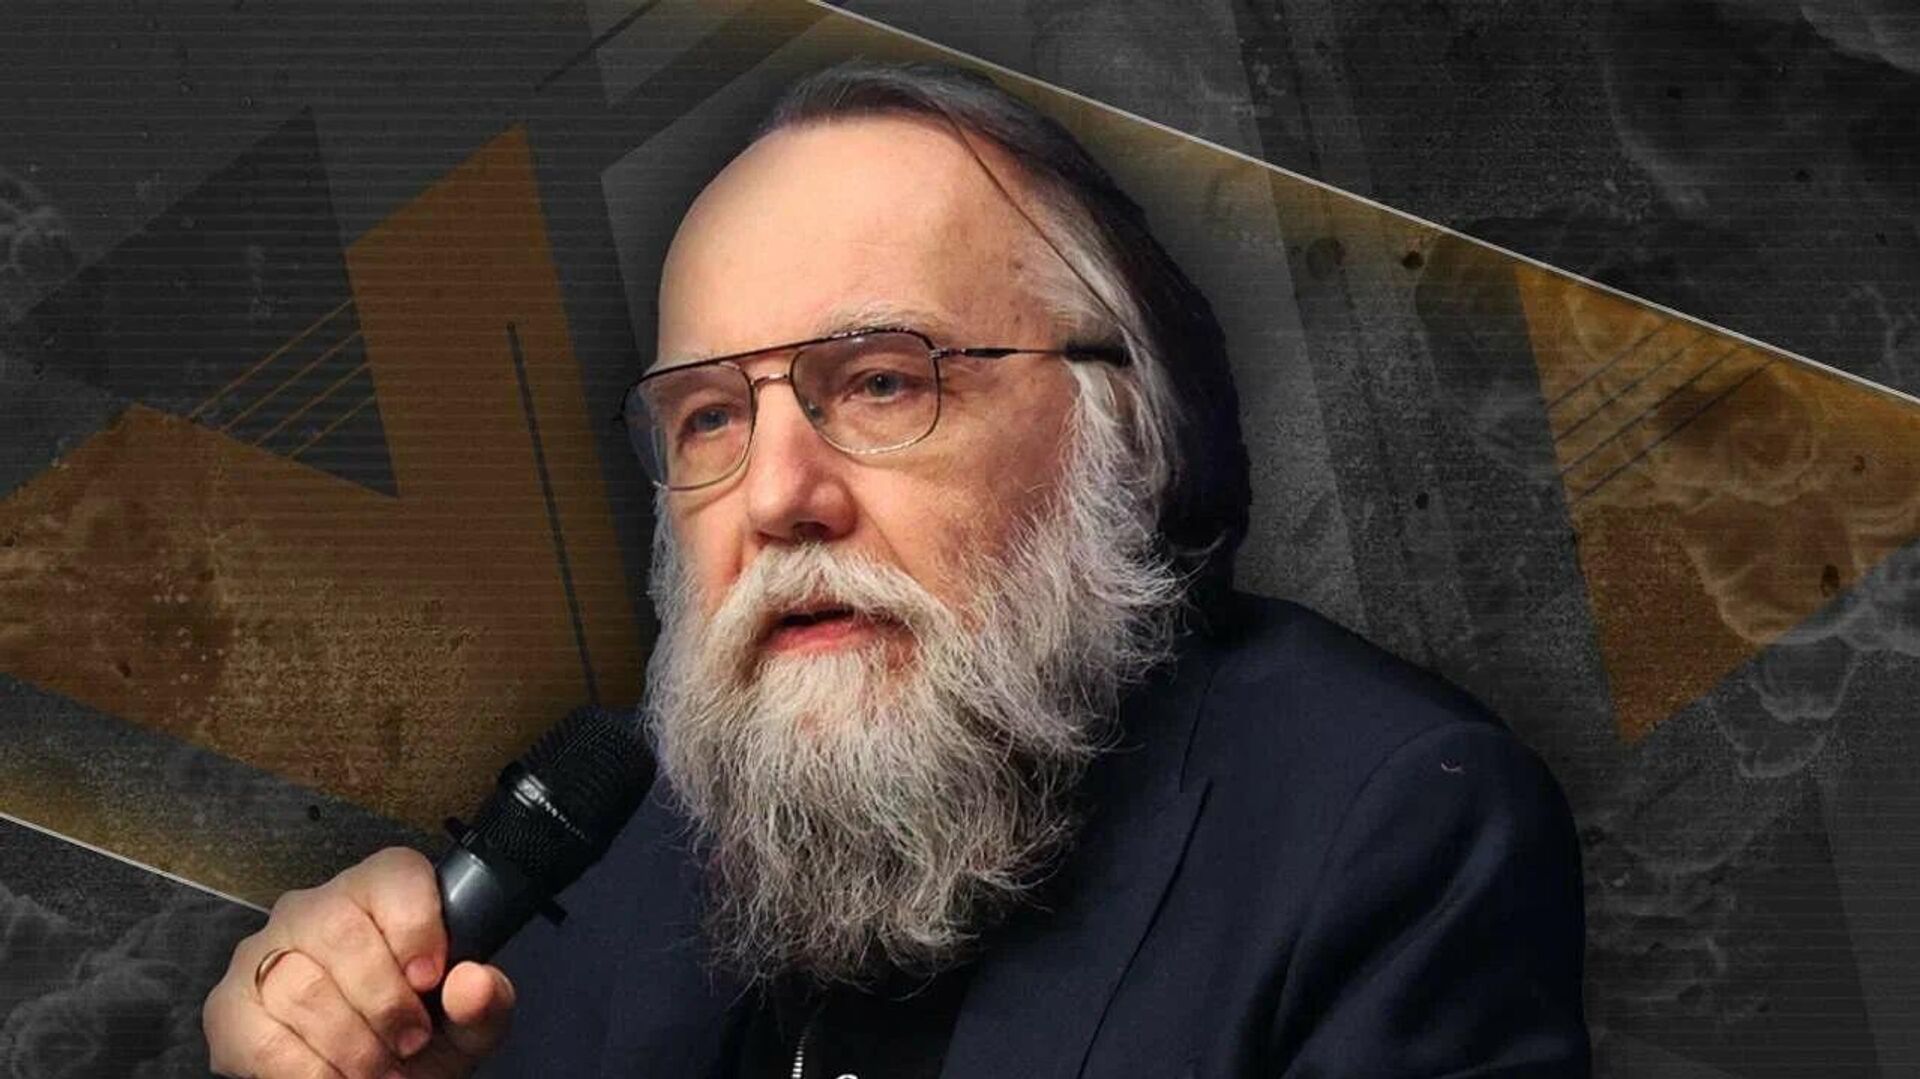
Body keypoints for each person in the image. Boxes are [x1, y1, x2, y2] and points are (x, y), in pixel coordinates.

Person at [202, 59, 1589, 1077]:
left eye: (880, 383)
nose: (777, 497)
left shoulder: (1389, 826)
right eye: (711, 419)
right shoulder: (613, 853)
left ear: (1127, 430)